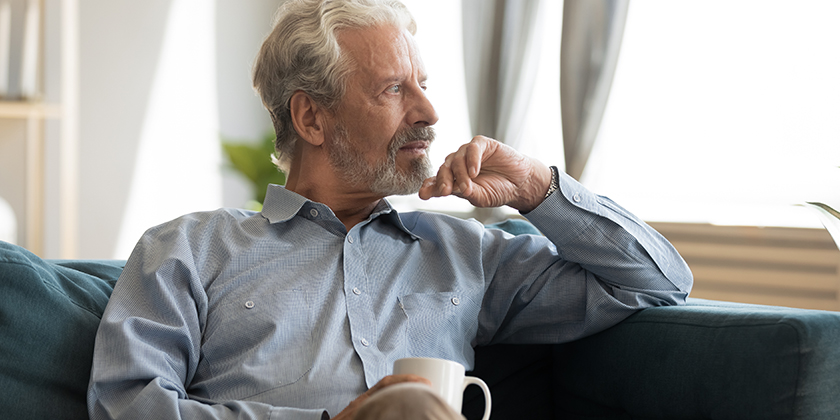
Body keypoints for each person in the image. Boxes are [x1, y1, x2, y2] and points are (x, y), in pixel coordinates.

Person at [87, 0, 693, 419]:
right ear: (311, 118)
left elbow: (659, 282)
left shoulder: (463, 254)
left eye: (423, 84)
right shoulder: (190, 250)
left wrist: (541, 188)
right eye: (394, 88)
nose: (429, 112)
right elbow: (126, 405)